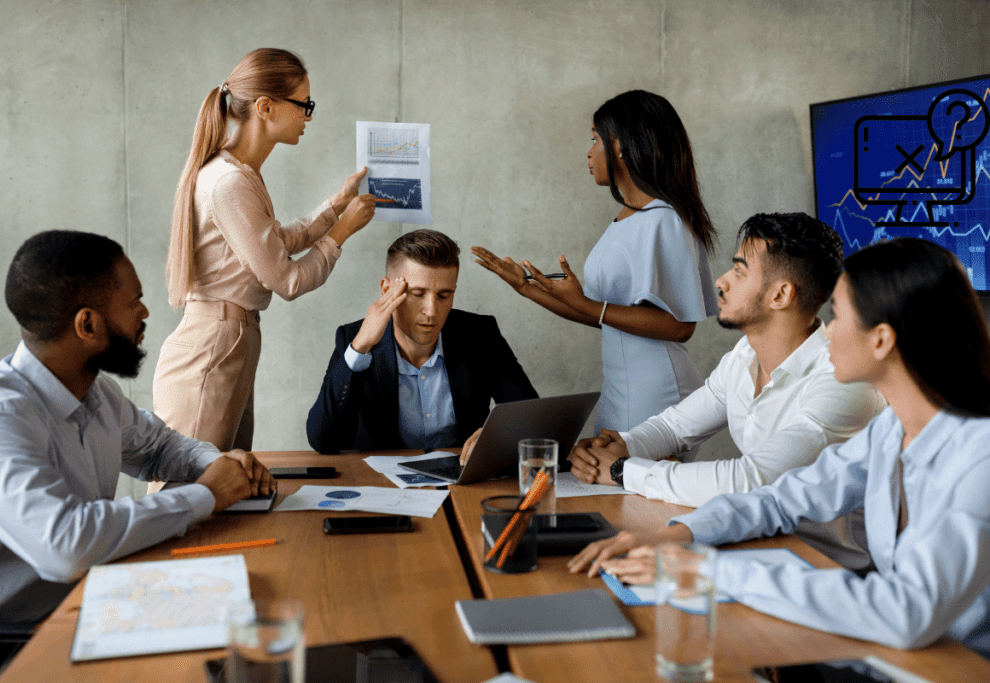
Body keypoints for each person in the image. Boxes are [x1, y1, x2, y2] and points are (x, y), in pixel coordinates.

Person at [573, 237, 990, 658]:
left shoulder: (981, 456)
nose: (828, 331)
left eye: (838, 315)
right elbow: (781, 499)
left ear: (881, 340)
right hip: (904, 653)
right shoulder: (890, 431)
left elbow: (908, 612)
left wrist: (712, 570)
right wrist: (676, 536)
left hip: (962, 664)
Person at [0, 231, 273, 681]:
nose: (146, 313)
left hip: (84, 607)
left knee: (248, 621)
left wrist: (215, 465)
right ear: (87, 325)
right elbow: (66, 546)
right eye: (135, 303)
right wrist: (205, 496)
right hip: (3, 645)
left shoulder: (93, 390)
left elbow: (159, 447)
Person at [569, 213, 884, 571]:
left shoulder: (842, 381)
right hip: (758, 550)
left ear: (781, 294)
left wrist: (624, 470)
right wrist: (618, 448)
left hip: (828, 571)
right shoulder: (743, 357)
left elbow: (751, 481)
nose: (721, 282)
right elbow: (674, 427)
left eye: (739, 271)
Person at [154, 47, 377, 457]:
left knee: (224, 487)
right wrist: (343, 230)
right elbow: (286, 279)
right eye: (303, 104)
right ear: (265, 107)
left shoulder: (239, 175)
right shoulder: (229, 183)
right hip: (214, 345)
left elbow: (276, 242)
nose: (308, 116)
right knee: (189, 491)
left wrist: (336, 206)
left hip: (228, 341)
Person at [472, 90, 718, 434]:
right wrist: (524, 287)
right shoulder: (627, 218)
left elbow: (680, 326)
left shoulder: (665, 220)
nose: (588, 153)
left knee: (627, 484)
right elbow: (598, 314)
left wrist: (590, 306)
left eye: (594, 140)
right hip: (621, 387)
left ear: (619, 146)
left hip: (654, 390)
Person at [306, 229, 538, 455]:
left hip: (464, 486)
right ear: (388, 290)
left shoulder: (480, 334)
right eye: (418, 294)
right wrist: (360, 348)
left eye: (444, 295)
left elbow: (532, 417)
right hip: (382, 487)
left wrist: (499, 435)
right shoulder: (353, 338)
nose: (432, 311)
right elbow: (323, 441)